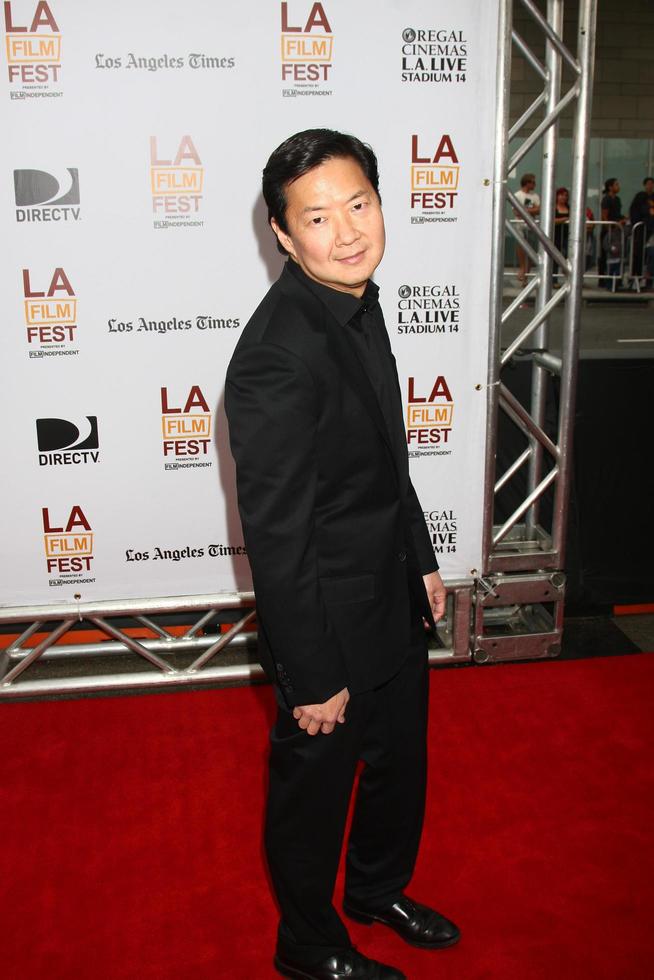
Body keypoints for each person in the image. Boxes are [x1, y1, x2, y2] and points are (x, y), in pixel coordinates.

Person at [225, 129, 460, 980]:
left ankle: (375, 892)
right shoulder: (276, 356)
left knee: (402, 766)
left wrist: (421, 557)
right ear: (284, 237)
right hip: (325, 620)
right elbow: (279, 533)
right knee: (312, 796)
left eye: (358, 203)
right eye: (318, 218)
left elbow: (387, 458)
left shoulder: (359, 298)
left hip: (390, 591)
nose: (348, 230)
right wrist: (310, 672)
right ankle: (309, 946)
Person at [513, 172, 540, 285]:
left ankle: (526, 276)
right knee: (522, 247)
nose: (535, 184)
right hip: (520, 225)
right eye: (533, 182)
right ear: (527, 182)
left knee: (531, 251)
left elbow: (539, 210)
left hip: (532, 226)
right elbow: (516, 211)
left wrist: (524, 210)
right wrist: (531, 210)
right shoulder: (518, 195)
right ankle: (522, 269)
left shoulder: (535, 196)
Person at [600, 177, 625, 289]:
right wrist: (608, 228)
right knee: (606, 254)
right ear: (610, 187)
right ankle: (603, 279)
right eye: (616, 184)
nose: (618, 186)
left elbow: (618, 214)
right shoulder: (606, 199)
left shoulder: (618, 199)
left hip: (616, 230)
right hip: (609, 230)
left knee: (616, 254)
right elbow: (604, 215)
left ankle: (616, 280)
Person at [628, 177, 654, 286]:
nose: (650, 186)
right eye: (648, 184)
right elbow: (634, 211)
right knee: (638, 253)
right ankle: (635, 277)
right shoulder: (640, 197)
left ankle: (649, 279)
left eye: (652, 184)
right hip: (641, 229)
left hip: (651, 229)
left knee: (651, 254)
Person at [553, 186, 570, 285]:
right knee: (555, 258)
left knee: (567, 256)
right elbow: (552, 220)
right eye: (561, 195)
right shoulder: (553, 207)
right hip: (556, 235)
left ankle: (569, 278)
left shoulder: (569, 207)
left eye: (565, 196)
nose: (563, 197)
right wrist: (563, 219)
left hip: (567, 235)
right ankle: (554, 280)